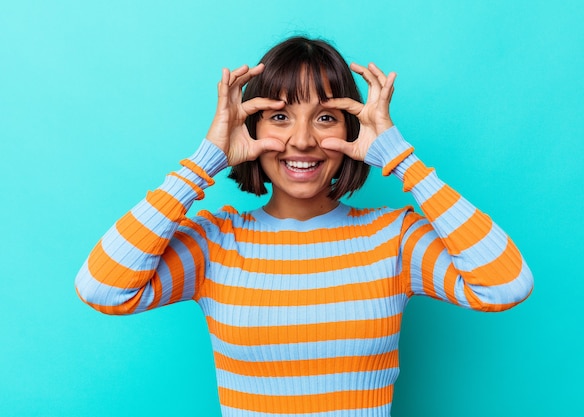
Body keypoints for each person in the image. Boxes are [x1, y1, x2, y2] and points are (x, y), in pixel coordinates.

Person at [75, 36, 533, 416]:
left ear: (351, 131)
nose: (302, 140)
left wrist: (399, 157)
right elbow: (102, 287)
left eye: (325, 118)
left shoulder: (394, 239)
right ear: (249, 128)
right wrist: (205, 160)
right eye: (279, 118)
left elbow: (505, 284)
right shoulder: (215, 243)